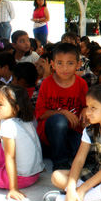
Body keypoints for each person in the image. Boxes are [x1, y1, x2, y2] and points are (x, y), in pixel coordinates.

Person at [35, 43, 88, 171]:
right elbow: (41, 114)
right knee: (59, 120)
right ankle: (60, 161)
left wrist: (86, 109)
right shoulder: (46, 83)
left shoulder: (81, 84)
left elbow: (87, 106)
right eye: (60, 63)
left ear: (78, 64)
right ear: (52, 65)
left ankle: (61, 151)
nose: (65, 68)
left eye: (70, 63)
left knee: (82, 156)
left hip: (73, 130)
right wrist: (63, 112)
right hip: (51, 132)